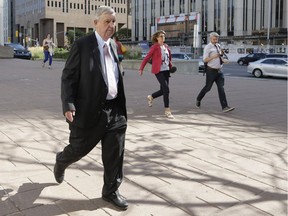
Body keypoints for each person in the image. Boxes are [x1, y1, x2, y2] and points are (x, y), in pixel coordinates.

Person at [53, 6, 128, 210]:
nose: (111, 25)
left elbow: (111, 72)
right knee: (78, 149)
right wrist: (68, 104)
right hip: (90, 111)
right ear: (95, 23)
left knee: (115, 153)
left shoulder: (112, 45)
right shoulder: (82, 45)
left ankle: (111, 191)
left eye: (113, 22)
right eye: (107, 21)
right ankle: (61, 160)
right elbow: (68, 76)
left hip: (115, 111)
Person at [196, 32, 235, 113]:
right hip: (211, 71)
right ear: (210, 39)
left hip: (219, 71)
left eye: (216, 39)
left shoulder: (218, 46)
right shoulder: (207, 47)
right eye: (213, 39)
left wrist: (224, 61)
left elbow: (219, 58)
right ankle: (198, 99)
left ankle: (225, 107)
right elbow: (205, 60)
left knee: (221, 88)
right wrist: (214, 56)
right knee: (208, 88)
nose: (215, 41)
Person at [139, 30, 174, 119]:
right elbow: (147, 57)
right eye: (161, 36)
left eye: (164, 36)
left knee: (163, 90)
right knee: (166, 89)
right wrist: (141, 68)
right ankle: (167, 110)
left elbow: (169, 58)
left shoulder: (166, 47)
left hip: (166, 70)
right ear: (157, 38)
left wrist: (171, 66)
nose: (163, 38)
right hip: (158, 71)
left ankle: (151, 96)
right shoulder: (155, 47)